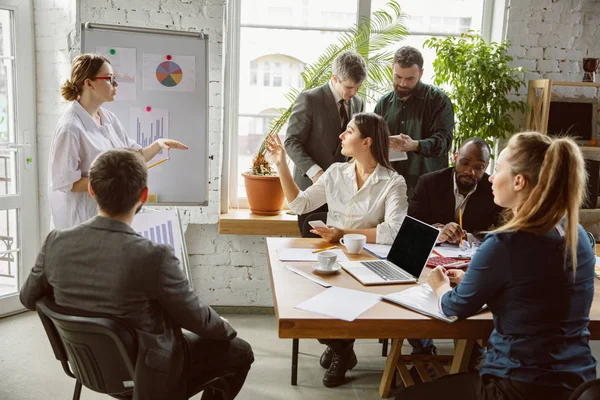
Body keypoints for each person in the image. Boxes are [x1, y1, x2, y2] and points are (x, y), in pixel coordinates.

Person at [21, 149, 254, 400]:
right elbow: (198, 320)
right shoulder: (154, 256)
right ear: (143, 195)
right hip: (146, 374)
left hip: (88, 366)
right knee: (239, 351)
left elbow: (28, 298)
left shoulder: (55, 242)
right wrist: (226, 328)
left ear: (92, 190)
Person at [400, 132, 597, 400]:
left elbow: (453, 307)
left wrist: (441, 286)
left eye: (498, 169)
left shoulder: (505, 243)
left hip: (516, 386)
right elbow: (533, 285)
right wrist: (476, 277)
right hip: (577, 384)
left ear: (519, 181)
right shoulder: (579, 235)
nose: (490, 177)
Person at [267, 112, 407, 387]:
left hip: (368, 262)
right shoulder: (335, 173)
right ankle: (342, 349)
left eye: (349, 131)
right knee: (303, 304)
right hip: (330, 257)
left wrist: (344, 233)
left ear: (366, 142)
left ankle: (339, 350)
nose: (341, 136)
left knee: (340, 300)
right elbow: (299, 205)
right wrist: (282, 165)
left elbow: (393, 232)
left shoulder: (393, 182)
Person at [49, 53, 188, 230]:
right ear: (89, 83)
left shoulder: (108, 118)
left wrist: (157, 144)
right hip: (80, 224)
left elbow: (133, 157)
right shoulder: (70, 128)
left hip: (108, 221)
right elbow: (66, 183)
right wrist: (112, 180)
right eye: (109, 78)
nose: (115, 84)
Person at [284, 50, 367, 235]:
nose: (353, 92)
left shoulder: (358, 103)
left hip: (342, 192)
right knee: (311, 247)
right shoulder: (309, 99)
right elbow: (291, 141)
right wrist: (316, 173)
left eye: (358, 87)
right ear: (335, 78)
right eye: (349, 87)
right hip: (311, 188)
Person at [375, 46, 454, 199]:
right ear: (392, 69)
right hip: (390, 188)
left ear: (421, 73)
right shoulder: (384, 103)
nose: (403, 83)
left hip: (427, 189)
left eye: (410, 79)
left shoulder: (438, 101)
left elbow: (445, 141)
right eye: (398, 77)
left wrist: (416, 145)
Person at [409, 137, 503, 243]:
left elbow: (505, 231)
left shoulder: (493, 190)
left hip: (472, 255)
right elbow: (411, 226)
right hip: (434, 252)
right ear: (455, 157)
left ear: (486, 166)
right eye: (464, 163)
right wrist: (438, 232)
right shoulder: (429, 183)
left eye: (478, 167)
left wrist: (467, 237)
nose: (469, 171)